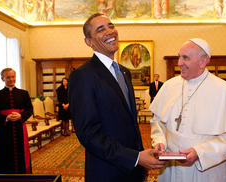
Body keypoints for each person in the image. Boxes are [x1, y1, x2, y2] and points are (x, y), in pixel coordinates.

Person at [68, 13, 165, 182]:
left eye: (111, 26)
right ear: (88, 41)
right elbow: (89, 134)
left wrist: (140, 159)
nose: (109, 31)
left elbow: (131, 123)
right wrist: (135, 158)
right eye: (100, 29)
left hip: (134, 170)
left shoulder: (124, 71)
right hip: (107, 171)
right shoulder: (83, 75)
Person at [150, 38, 226, 182]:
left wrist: (200, 152)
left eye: (185, 58)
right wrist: (159, 141)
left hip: (208, 171)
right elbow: (158, 121)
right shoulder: (168, 86)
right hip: (171, 167)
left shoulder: (225, 91)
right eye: (179, 56)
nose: (179, 63)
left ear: (203, 61)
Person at [0, 68, 33, 174]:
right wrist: (5, 118)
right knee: (4, 154)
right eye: (8, 77)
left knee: (21, 154)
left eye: (13, 76)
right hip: (4, 130)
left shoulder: (24, 93)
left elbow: (30, 109)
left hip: (20, 129)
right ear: (2, 79)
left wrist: (21, 115)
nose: (11, 79)